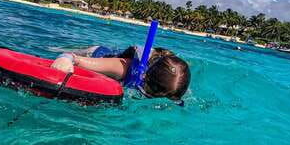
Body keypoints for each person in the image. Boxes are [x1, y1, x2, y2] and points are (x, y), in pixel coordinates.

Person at [51, 44, 191, 101]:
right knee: (53, 49)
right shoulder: (122, 68)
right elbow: (74, 58)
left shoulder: (172, 84)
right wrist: (65, 59)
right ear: (147, 79)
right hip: (96, 54)